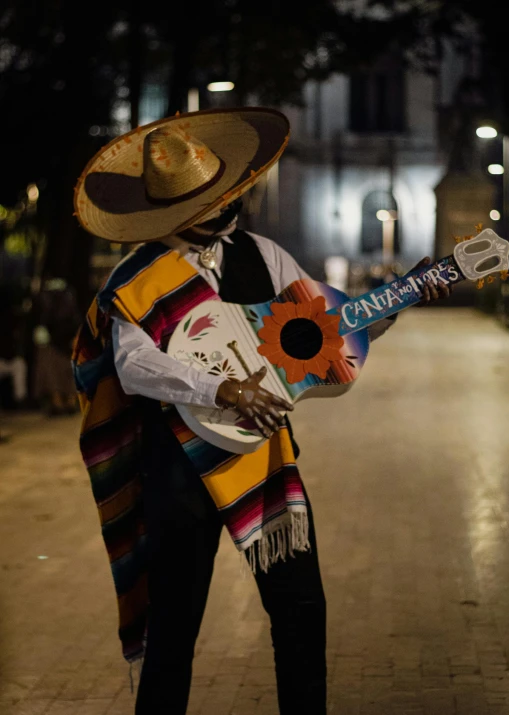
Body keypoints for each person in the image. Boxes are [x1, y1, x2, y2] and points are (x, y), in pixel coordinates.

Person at [71, 108, 450, 715]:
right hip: (179, 469)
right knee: (174, 632)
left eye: (227, 192)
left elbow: (325, 332)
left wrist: (401, 295)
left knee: (303, 614)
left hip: (265, 460)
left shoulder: (264, 255)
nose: (229, 205)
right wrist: (222, 389)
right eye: (212, 200)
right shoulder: (137, 278)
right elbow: (133, 367)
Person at [32, 275, 81, 415]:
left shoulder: (50, 295)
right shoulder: (65, 294)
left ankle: (62, 402)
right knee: (63, 371)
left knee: (56, 370)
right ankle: (63, 402)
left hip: (57, 340)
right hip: (61, 340)